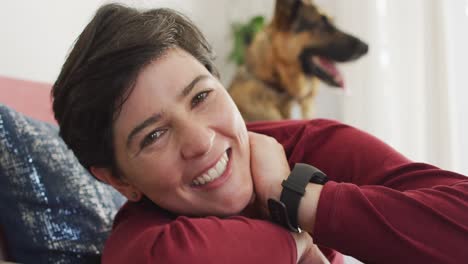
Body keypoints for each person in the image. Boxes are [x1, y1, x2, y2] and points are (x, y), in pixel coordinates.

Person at [51, 3, 468, 264]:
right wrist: (296, 239)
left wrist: (294, 196)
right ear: (118, 180)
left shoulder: (305, 144)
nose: (200, 141)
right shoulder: (150, 233)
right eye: (154, 136)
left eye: (200, 97)